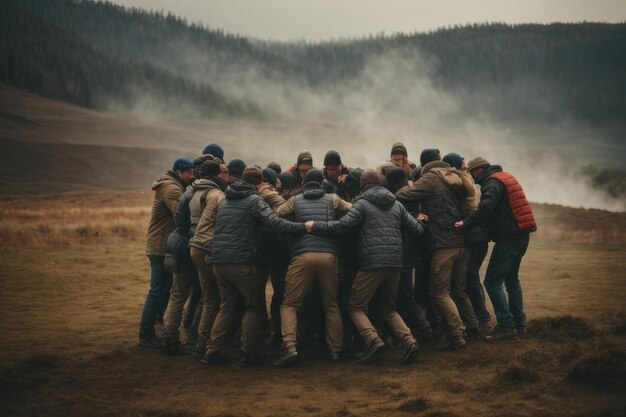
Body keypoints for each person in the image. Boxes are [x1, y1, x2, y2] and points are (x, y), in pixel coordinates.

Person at [306, 169, 424, 365]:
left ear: (362, 185)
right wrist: (421, 218)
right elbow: (418, 230)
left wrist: (314, 226)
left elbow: (342, 227)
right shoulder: (396, 204)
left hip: (372, 263)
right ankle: (410, 341)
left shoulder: (362, 204)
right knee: (389, 309)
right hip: (396, 262)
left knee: (355, 307)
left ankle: (373, 340)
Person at [203, 167, 306, 367]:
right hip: (240, 262)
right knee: (255, 307)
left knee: (226, 306)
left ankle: (211, 351)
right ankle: (248, 354)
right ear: (260, 183)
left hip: (219, 261)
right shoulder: (254, 200)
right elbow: (275, 223)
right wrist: (302, 227)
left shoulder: (225, 199)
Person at [396, 151, 481, 350]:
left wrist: (406, 188)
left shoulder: (430, 179)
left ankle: (457, 335)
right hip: (462, 243)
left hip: (444, 245)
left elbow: (401, 196)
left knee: (439, 292)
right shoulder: (452, 178)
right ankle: (474, 328)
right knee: (458, 292)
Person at [273, 169, 352, 367]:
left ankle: (290, 345)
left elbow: (276, 216)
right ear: (322, 183)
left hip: (302, 254)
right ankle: (335, 350)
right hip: (329, 255)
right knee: (331, 304)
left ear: (305, 184)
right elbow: (354, 211)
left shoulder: (295, 201)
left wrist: (295, 230)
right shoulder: (333, 199)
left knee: (290, 304)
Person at [455, 157, 537, 340]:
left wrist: (466, 223)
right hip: (522, 233)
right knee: (511, 279)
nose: (472, 177)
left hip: (509, 236)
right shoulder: (505, 176)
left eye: (472, 173)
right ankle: (519, 323)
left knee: (492, 282)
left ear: (478, 170)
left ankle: (507, 327)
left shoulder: (492, 183)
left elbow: (486, 208)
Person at [138, 157, 194, 348]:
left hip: (162, 244)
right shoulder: (172, 189)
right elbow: (181, 216)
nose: (192, 176)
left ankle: (153, 328)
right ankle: (145, 335)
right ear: (180, 172)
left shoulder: (172, 186)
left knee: (162, 290)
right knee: (157, 291)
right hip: (162, 246)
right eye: (189, 173)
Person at [443, 152, 492, 331]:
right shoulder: (466, 179)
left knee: (470, 278)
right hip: (478, 236)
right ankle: (480, 317)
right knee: (471, 278)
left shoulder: (460, 180)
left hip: (474, 236)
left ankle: (483, 318)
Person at [186, 158, 228, 357]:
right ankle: (204, 345)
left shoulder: (196, 191)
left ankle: (195, 340)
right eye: (224, 173)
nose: (226, 176)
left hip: (196, 246)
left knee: (206, 297)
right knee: (214, 299)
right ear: (217, 175)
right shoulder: (216, 195)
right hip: (208, 248)